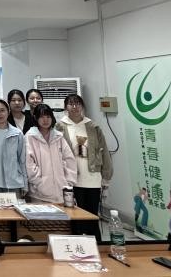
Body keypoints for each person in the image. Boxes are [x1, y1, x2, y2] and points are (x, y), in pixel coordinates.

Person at [56, 94, 113, 241]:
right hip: (71, 178)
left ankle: (96, 245)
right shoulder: (60, 126)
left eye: (78, 103)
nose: (75, 107)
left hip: (92, 177)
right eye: (71, 104)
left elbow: (104, 151)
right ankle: (78, 244)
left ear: (82, 106)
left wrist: (106, 176)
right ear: (65, 107)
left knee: (92, 214)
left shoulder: (93, 126)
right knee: (75, 214)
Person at [25, 104, 76, 203]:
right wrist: (38, 181)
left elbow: (69, 159)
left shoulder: (58, 136)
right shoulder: (30, 136)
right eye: (42, 117)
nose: (45, 120)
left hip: (61, 191)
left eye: (48, 117)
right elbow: (29, 163)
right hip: (39, 193)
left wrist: (68, 182)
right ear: (35, 118)